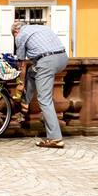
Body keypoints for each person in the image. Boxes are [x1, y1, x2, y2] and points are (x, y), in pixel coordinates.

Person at [12, 16, 69, 149]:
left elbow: (21, 63)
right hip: (62, 58)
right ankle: (26, 101)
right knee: (33, 72)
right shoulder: (42, 27)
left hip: (46, 61)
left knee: (44, 99)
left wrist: (20, 82)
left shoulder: (20, 35)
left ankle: (55, 138)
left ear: (15, 31)